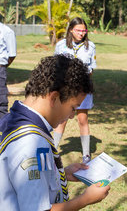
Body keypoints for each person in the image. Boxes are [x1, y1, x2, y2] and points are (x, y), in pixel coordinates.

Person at [0, 55, 110, 211]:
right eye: (73, 107)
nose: (72, 116)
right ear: (54, 97)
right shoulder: (31, 143)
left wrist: (60, 174)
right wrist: (85, 199)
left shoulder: (17, 122)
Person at [53, 17, 97, 163]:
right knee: (62, 119)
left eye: (84, 30)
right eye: (78, 30)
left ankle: (86, 155)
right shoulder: (60, 45)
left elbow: (92, 67)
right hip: (65, 87)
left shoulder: (90, 46)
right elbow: (56, 66)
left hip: (82, 88)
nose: (82, 33)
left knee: (82, 119)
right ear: (71, 30)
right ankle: (52, 150)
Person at [0, 22, 17, 118]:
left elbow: (12, 55)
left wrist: (2, 67)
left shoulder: (7, 32)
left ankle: (2, 131)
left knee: (1, 103)